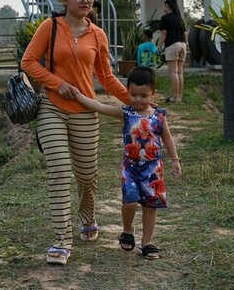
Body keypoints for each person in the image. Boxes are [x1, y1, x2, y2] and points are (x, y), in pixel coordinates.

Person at [21, 0, 130, 265]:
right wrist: (57, 84)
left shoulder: (98, 35)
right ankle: (61, 241)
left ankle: (88, 216)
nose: (85, 0)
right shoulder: (50, 27)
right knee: (59, 170)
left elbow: (106, 77)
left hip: (85, 111)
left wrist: (135, 102)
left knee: (86, 176)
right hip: (51, 108)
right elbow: (28, 61)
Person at [74, 66, 182, 260]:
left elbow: (167, 138)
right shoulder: (125, 113)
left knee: (150, 206)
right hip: (131, 168)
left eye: (143, 96)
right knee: (130, 202)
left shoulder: (159, 116)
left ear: (153, 93)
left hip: (153, 169)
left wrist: (175, 159)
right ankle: (127, 229)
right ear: (128, 92)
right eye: (133, 95)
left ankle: (147, 242)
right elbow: (99, 106)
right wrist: (78, 97)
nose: (138, 100)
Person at [157, 0, 187, 102]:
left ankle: (175, 96)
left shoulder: (165, 18)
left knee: (173, 72)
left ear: (167, 6)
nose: (163, 8)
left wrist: (159, 47)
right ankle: (179, 96)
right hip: (182, 45)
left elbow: (164, 33)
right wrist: (186, 45)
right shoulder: (180, 18)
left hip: (172, 45)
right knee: (180, 72)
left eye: (164, 6)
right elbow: (185, 34)